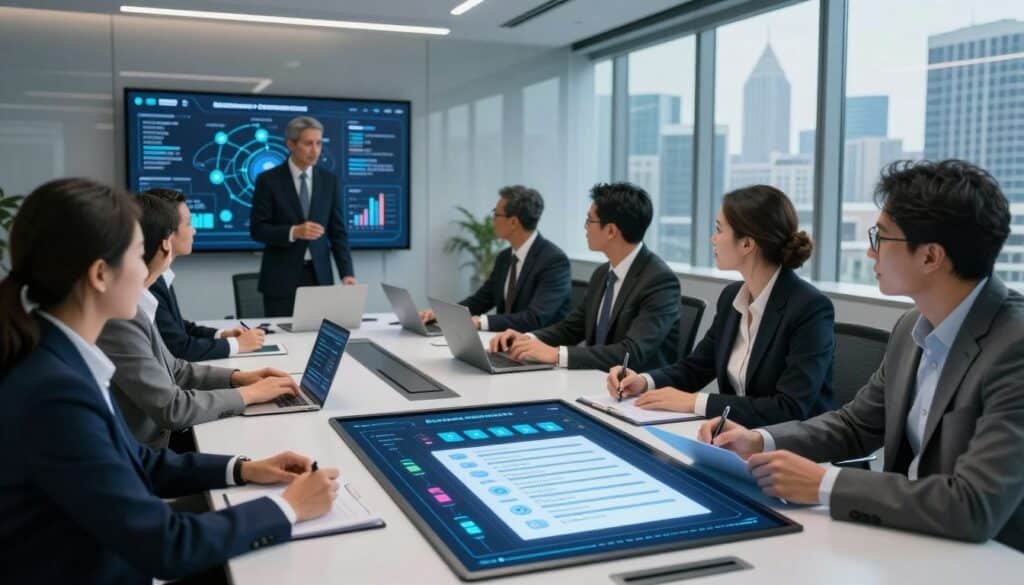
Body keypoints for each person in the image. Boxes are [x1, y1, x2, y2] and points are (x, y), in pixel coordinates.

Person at [0, 178, 339, 583]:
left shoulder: (61, 358)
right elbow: (167, 547)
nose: (147, 271)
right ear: (100, 275)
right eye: (138, 256)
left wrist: (247, 468)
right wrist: (289, 508)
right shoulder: (55, 392)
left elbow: (139, 460)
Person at [699, 160, 1024, 551]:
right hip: (908, 537)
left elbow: (974, 506)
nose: (871, 253)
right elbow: (855, 425)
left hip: (990, 558)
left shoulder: (1014, 346)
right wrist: (761, 440)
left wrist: (824, 484)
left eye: (881, 238)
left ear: (930, 257)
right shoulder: (911, 327)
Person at [607, 185, 835, 427]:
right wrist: (643, 381)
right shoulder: (731, 298)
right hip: (737, 438)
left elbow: (789, 408)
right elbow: (695, 368)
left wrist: (695, 402)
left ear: (747, 244)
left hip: (796, 452)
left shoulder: (809, 308)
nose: (712, 239)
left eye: (719, 230)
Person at [98, 193, 300, 448]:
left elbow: (177, 369)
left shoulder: (138, 307)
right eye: (135, 254)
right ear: (166, 244)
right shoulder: (122, 317)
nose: (141, 266)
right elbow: (172, 408)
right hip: (153, 454)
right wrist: (249, 394)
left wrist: (238, 378)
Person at [490, 182, 680, 371]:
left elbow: (631, 352)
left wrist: (556, 354)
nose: (585, 228)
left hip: (634, 393)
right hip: (595, 381)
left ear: (611, 231)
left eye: (590, 221)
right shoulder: (602, 274)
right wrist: (529, 338)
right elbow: (572, 327)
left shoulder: (659, 282)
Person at [419, 185, 571, 332]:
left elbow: (535, 318)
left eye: (496, 214)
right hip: (503, 343)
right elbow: (481, 300)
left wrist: (481, 322)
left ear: (513, 222)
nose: (492, 220)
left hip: (537, 350)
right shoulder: (505, 257)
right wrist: (445, 315)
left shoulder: (554, 261)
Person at [250, 116, 356, 317]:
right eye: (308, 143)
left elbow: (338, 232)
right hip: (280, 279)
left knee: (318, 338)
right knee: (285, 340)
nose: (315, 150)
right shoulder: (268, 180)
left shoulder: (329, 181)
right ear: (291, 144)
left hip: (320, 277)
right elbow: (258, 229)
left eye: (319, 143)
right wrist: (294, 231)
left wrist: (347, 273)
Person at [145, 187, 265, 361]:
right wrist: (238, 345)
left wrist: (222, 335)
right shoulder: (150, 282)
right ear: (168, 235)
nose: (194, 231)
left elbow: (179, 329)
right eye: (188, 224)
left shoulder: (162, 275)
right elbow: (180, 348)